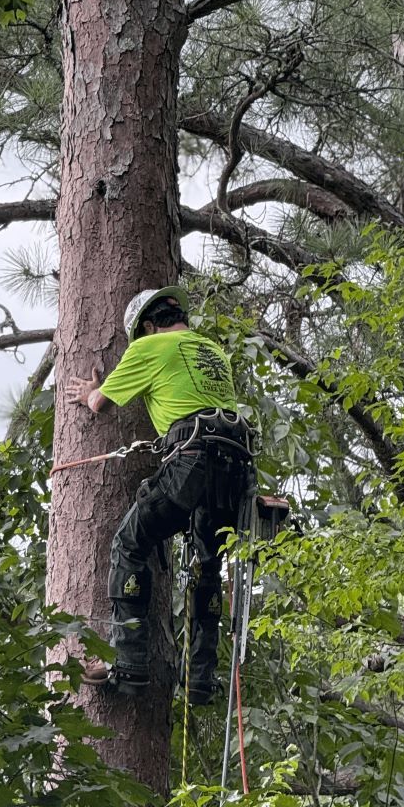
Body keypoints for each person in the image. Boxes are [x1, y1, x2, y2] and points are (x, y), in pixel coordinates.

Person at [65, 285, 254, 705]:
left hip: (192, 462)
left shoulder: (149, 348)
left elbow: (100, 404)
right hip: (235, 470)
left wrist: (88, 392)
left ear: (149, 326)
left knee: (130, 545)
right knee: (207, 566)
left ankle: (129, 666)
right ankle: (200, 681)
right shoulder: (214, 353)